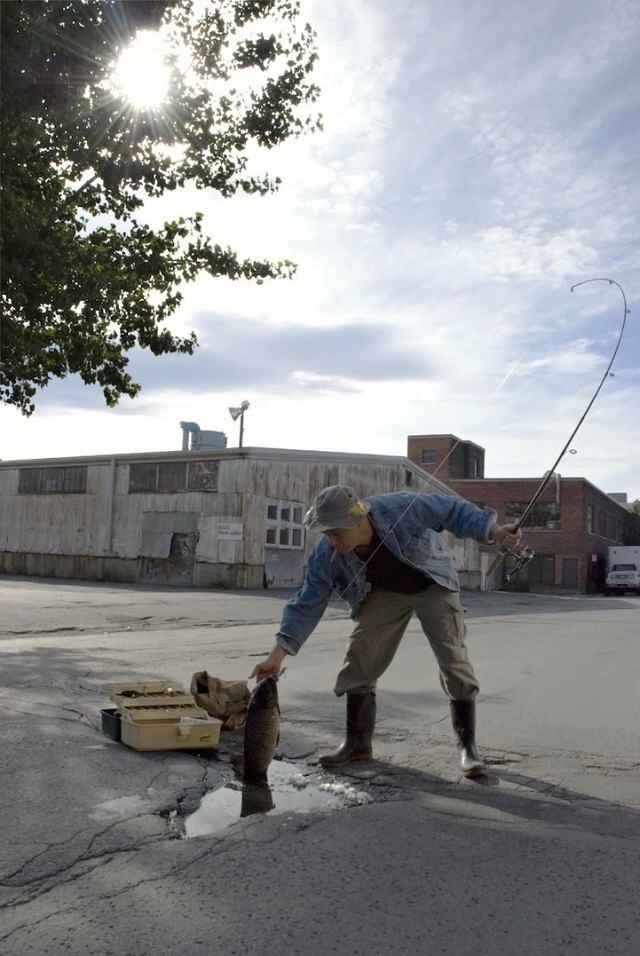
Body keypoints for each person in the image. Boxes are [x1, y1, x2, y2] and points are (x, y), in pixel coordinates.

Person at [251, 484, 522, 777]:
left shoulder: (399, 508)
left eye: (336, 533)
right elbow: (307, 601)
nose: (330, 541)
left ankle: (468, 747)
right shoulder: (326, 554)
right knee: (361, 655)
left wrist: (493, 531)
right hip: (383, 592)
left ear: (358, 520)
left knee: (452, 658)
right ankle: (357, 744)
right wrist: (276, 657)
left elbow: (451, 511)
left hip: (430, 582)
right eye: (325, 534)